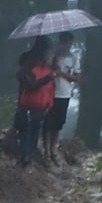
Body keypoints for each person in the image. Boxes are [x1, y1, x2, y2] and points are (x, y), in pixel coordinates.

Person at [15, 39, 55, 168]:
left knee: (33, 136)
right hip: (27, 108)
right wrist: (48, 77)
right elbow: (31, 86)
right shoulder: (28, 67)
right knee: (26, 136)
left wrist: (49, 103)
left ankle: (30, 160)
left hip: (39, 108)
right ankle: (24, 160)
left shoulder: (46, 68)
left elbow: (50, 89)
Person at [43, 31, 80, 164]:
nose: (67, 46)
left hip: (64, 94)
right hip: (51, 93)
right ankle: (46, 151)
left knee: (58, 124)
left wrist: (61, 73)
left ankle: (53, 149)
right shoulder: (53, 55)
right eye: (65, 42)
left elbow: (76, 78)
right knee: (48, 122)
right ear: (60, 42)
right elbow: (46, 70)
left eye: (69, 43)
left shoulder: (73, 58)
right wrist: (54, 62)